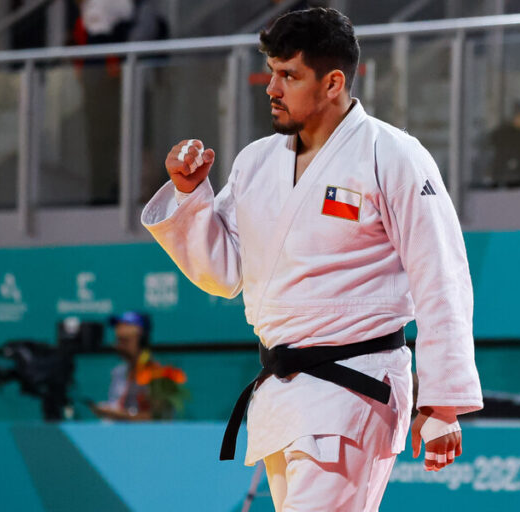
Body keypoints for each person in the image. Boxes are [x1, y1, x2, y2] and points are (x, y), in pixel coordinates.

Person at [141, 8, 482, 511]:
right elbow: (225, 274)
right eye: (272, 72)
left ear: (332, 82)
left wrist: (443, 403)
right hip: (282, 392)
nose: (271, 88)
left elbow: (441, 276)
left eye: (289, 75)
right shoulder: (256, 162)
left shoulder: (392, 155)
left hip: (356, 384)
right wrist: (191, 197)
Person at [89, 311, 154, 421]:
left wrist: (119, 415)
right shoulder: (118, 372)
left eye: (125, 341)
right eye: (118, 340)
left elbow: (158, 419)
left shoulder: (157, 375)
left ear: (141, 341)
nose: (118, 347)